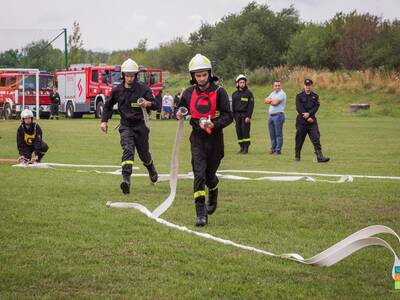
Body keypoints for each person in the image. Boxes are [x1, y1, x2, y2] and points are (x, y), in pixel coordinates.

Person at [176, 53, 233, 227]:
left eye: (204, 74)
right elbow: (181, 110)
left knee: (209, 177)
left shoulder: (219, 91)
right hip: (197, 139)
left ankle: (214, 190)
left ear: (209, 73)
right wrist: (179, 113)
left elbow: (228, 116)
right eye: (198, 75)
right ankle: (200, 213)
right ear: (193, 76)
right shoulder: (187, 92)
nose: (201, 78)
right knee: (199, 175)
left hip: (215, 139)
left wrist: (213, 124)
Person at [100, 58, 160, 194]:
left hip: (141, 126)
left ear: (136, 76)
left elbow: (157, 104)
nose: (130, 78)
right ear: (123, 75)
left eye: (132, 75)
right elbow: (108, 106)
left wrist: (148, 103)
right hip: (126, 126)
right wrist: (104, 121)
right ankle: (126, 180)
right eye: (127, 75)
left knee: (144, 155)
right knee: (128, 150)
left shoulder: (144, 89)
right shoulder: (117, 90)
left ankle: (151, 168)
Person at [295, 79, 330, 162]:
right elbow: (299, 108)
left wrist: (310, 114)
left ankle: (319, 156)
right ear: (304, 86)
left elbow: (316, 107)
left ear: (311, 86)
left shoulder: (315, 96)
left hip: (312, 121)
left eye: (309, 85)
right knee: (300, 139)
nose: (308, 86)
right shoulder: (299, 96)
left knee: (316, 137)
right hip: (302, 121)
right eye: (306, 85)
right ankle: (297, 155)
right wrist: (307, 117)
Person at [232, 74, 254, 154]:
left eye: (243, 82)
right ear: (237, 83)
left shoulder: (249, 93)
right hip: (237, 116)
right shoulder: (234, 94)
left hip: (245, 115)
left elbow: (251, 106)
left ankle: (246, 148)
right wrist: (233, 117)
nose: (242, 84)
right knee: (239, 131)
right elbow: (233, 107)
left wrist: (248, 116)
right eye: (240, 82)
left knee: (245, 131)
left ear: (245, 83)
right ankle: (241, 147)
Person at [264, 80, 287, 155]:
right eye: (276, 85)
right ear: (273, 86)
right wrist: (271, 100)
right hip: (271, 116)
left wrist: (270, 100)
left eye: (278, 85)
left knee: (278, 134)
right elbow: (265, 100)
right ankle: (273, 149)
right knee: (272, 134)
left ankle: (278, 150)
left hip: (278, 115)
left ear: (281, 86)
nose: (277, 87)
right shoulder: (273, 93)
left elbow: (275, 103)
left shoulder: (282, 94)